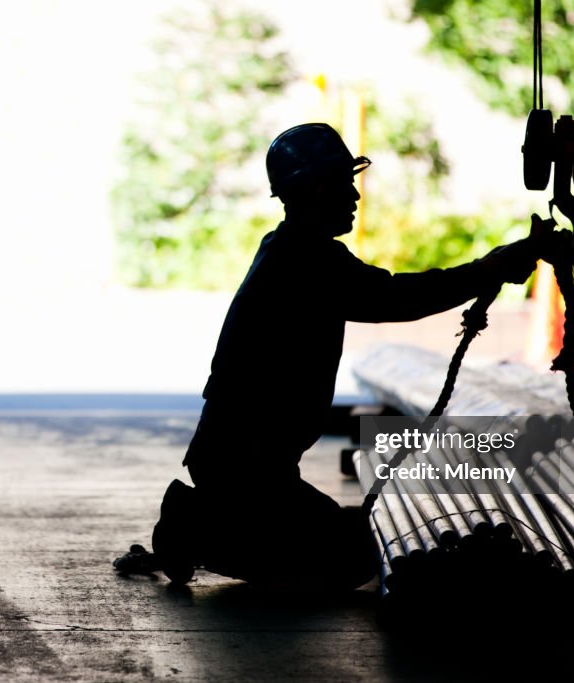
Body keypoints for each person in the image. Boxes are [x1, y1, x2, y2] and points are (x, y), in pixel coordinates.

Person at [115, 123, 544, 589]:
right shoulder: (306, 262)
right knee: (351, 557)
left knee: (352, 540)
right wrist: (489, 269)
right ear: (314, 187)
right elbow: (397, 298)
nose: (354, 196)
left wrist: (489, 270)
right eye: (345, 182)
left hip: (247, 465)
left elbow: (393, 295)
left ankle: (208, 520)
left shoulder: (290, 249)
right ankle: (193, 526)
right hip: (244, 473)